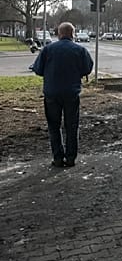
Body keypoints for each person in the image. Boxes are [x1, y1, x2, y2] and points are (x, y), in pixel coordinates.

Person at [31, 22, 94, 168]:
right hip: (71, 92)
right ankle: (71, 158)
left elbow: (38, 69)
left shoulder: (48, 49)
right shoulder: (80, 50)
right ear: (73, 34)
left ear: (59, 34)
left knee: (54, 125)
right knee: (72, 126)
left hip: (52, 92)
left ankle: (58, 158)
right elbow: (87, 68)